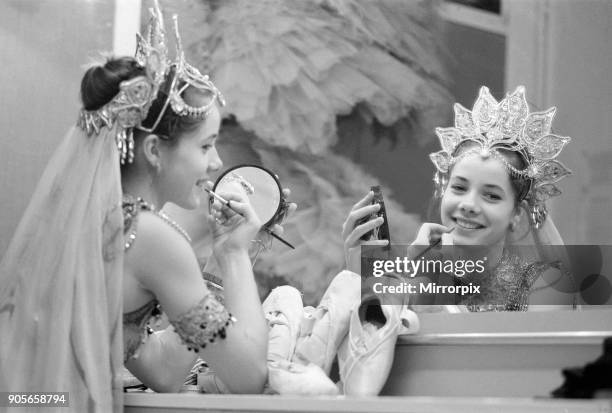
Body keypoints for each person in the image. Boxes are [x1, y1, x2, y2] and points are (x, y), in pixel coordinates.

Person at [0, 3, 267, 411]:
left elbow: (162, 370)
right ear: (156, 150)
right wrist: (234, 257)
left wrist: (215, 265)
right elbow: (249, 376)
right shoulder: (149, 236)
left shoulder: (91, 221)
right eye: (206, 146)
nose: (215, 164)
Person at [344, 85, 576, 311]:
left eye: (491, 195)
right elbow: (371, 343)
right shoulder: (416, 277)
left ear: (516, 213)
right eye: (459, 188)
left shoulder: (545, 286)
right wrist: (359, 273)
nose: (468, 205)